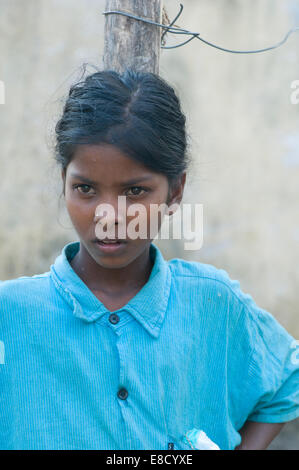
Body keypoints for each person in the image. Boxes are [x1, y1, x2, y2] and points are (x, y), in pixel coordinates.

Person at [0, 69, 298, 450]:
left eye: (135, 191)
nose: (108, 215)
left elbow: (287, 379)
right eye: (85, 188)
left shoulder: (213, 303)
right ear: (64, 183)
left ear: (175, 191)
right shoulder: (10, 315)